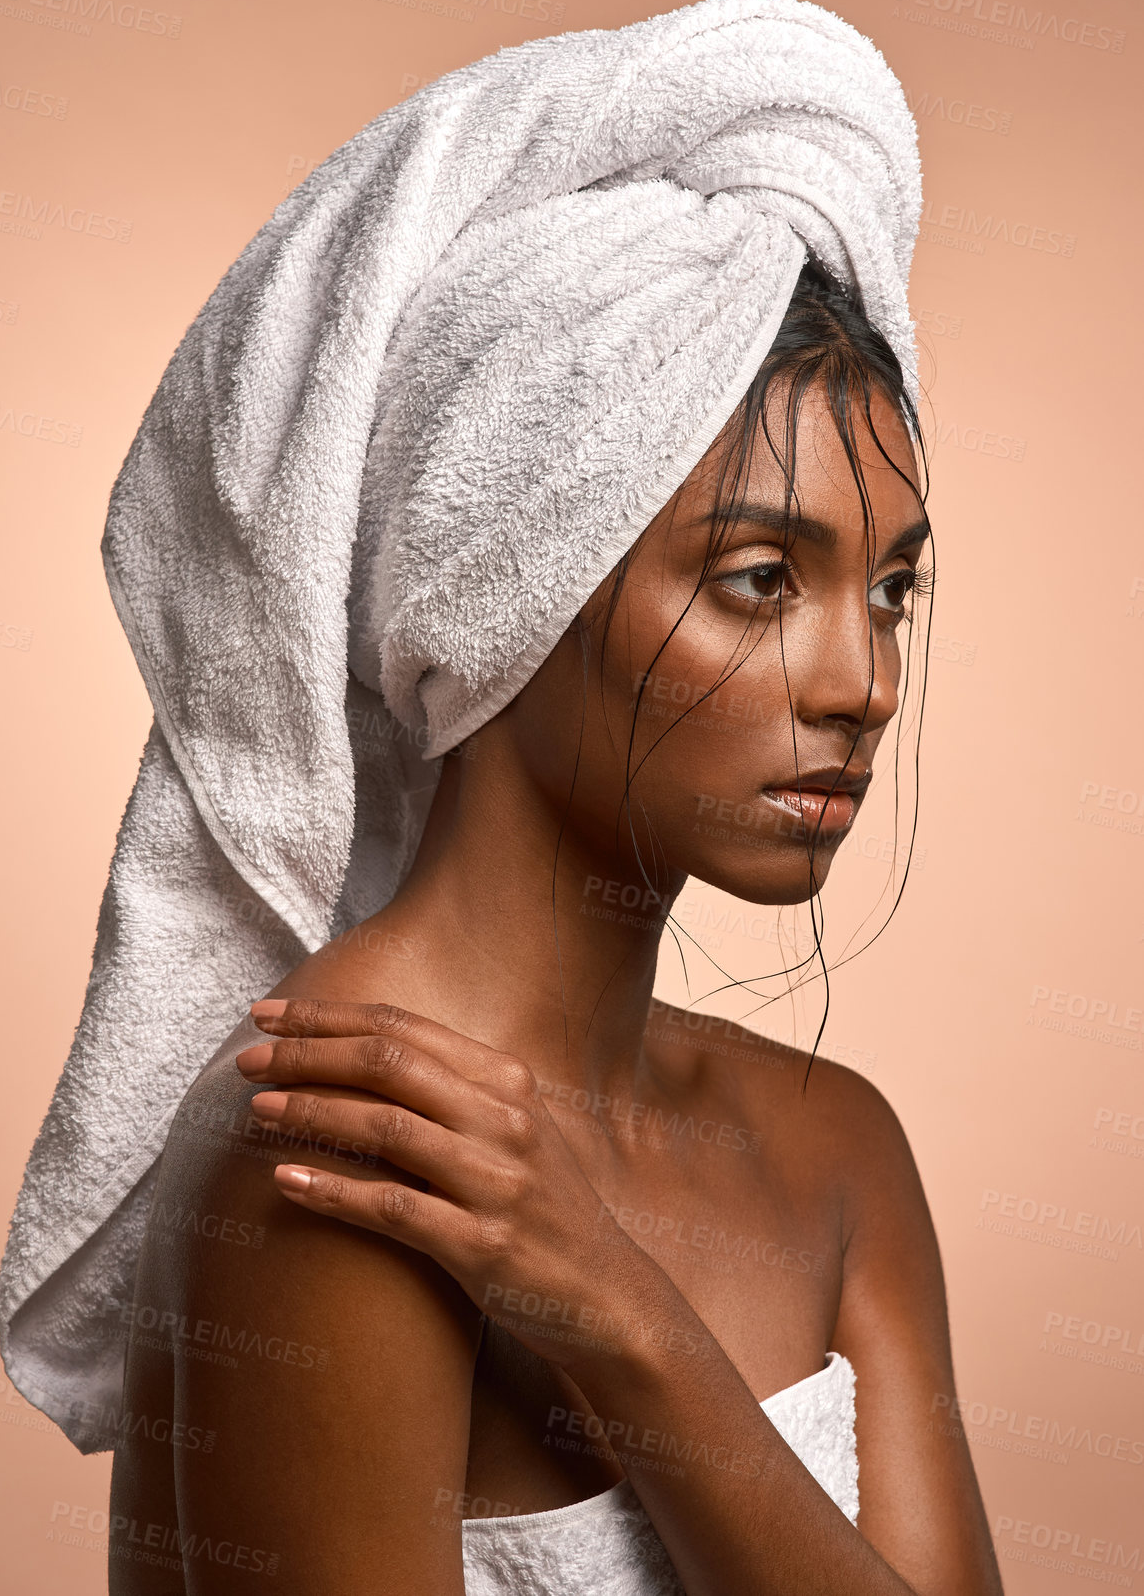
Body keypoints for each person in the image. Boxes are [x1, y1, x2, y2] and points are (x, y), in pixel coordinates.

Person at [106, 254, 1003, 1593]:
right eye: (761, 579)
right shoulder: (352, 1150)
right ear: (502, 590)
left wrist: (622, 1319)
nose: (863, 682)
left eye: (890, 591)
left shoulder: (832, 1149)